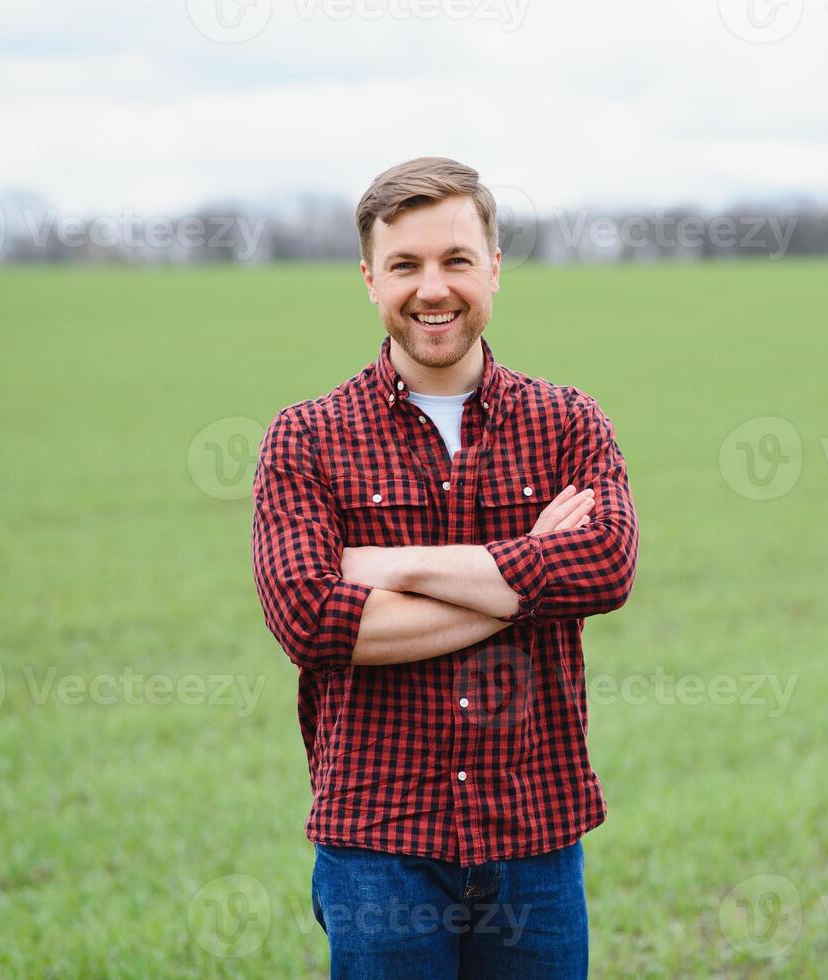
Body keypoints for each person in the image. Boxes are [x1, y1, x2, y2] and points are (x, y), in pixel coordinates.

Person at [250, 156, 641, 978]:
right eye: (406, 265)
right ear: (369, 279)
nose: (434, 288)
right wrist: (533, 571)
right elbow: (312, 618)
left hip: (534, 837)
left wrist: (389, 566)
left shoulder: (568, 422)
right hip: (378, 847)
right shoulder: (306, 438)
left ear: (494, 267)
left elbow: (605, 567)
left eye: (457, 260)